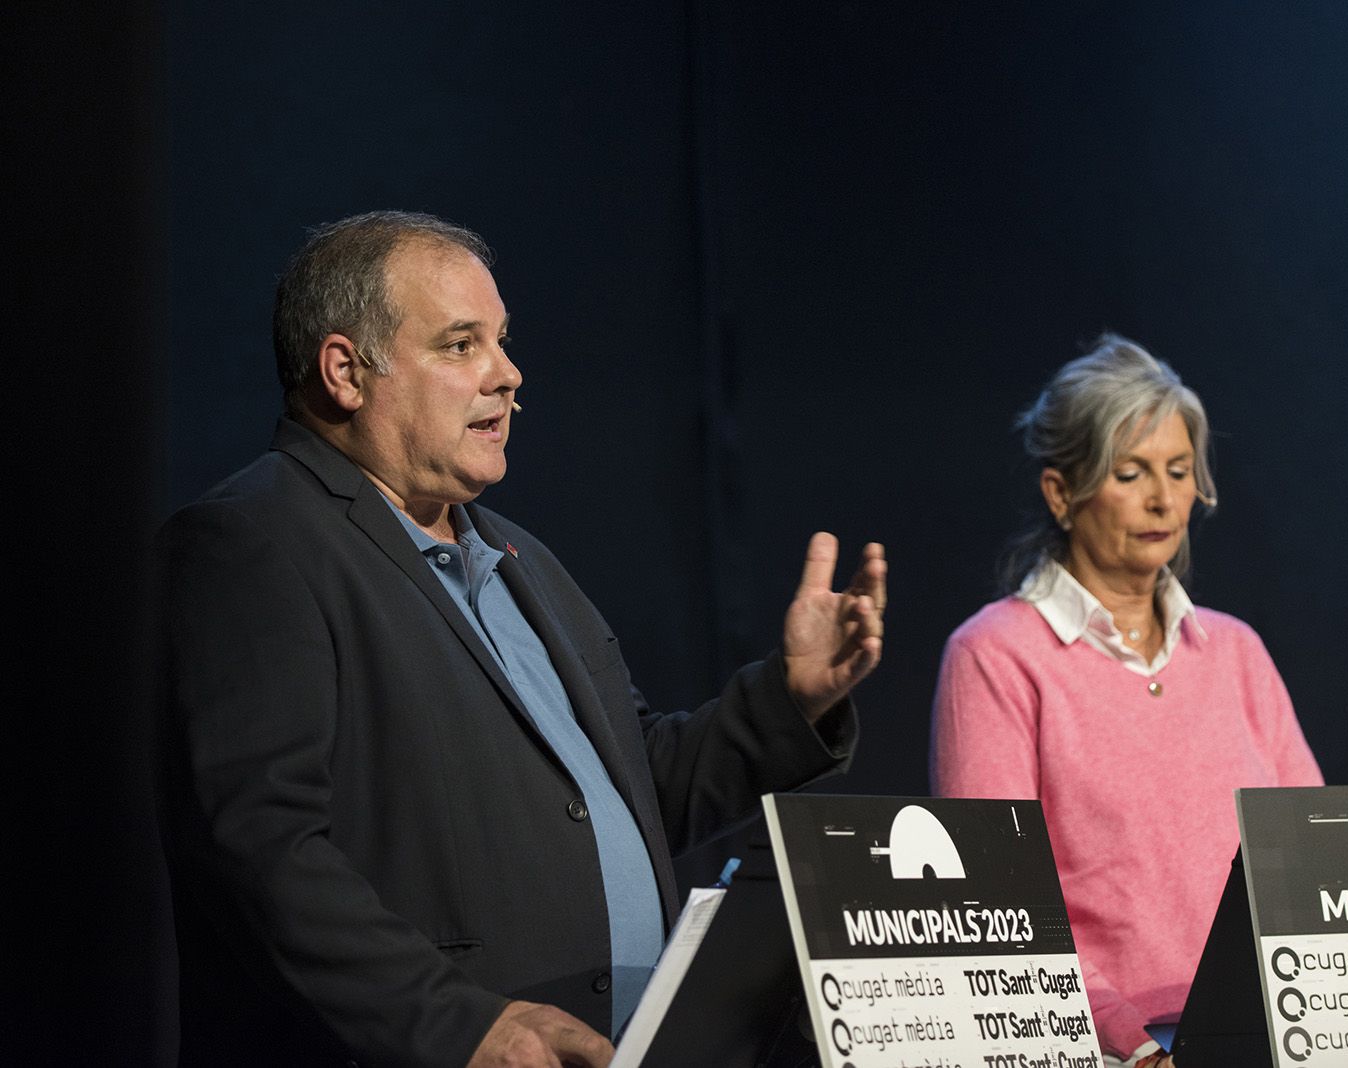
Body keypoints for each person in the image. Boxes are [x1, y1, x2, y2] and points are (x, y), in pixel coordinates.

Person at [155, 210, 886, 1068]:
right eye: (461, 345)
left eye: (501, 342)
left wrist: (790, 701)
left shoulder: (516, 555)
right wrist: (459, 1025)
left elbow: (634, 787)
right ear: (346, 372)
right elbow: (259, 852)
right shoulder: (257, 543)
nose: (508, 375)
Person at [929, 334, 1319, 1068]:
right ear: (1061, 493)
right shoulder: (996, 654)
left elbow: (1312, 854)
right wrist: (1128, 1042)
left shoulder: (1234, 651)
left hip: (1269, 1032)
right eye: (1131, 472)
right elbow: (1001, 901)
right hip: (1106, 1048)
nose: (1163, 499)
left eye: (1177, 471)